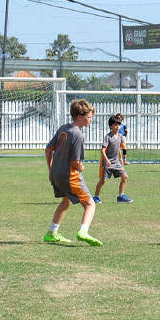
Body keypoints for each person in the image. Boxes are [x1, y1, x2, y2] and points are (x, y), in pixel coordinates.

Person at [44, 98, 103, 246]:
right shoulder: (77, 134)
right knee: (90, 204)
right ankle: (83, 231)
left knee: (66, 200)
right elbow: (76, 163)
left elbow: (48, 149)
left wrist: (51, 169)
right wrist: (82, 167)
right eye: (89, 117)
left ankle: (52, 233)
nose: (91, 120)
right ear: (80, 117)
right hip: (69, 176)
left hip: (57, 174)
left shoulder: (63, 128)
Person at [93, 115, 133, 204]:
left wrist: (120, 158)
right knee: (103, 180)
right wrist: (106, 159)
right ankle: (95, 197)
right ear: (111, 126)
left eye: (119, 125)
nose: (118, 126)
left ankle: (121, 196)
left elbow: (118, 148)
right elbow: (103, 150)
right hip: (107, 163)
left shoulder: (120, 136)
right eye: (115, 125)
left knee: (125, 176)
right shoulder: (108, 137)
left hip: (116, 162)